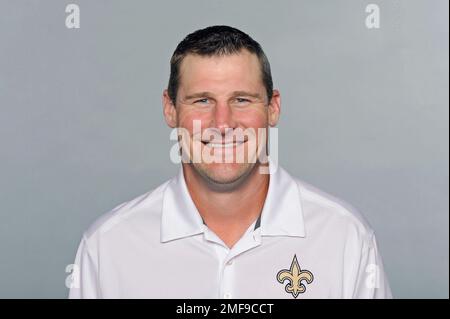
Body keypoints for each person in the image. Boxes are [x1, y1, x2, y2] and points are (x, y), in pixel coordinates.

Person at [68, 25, 392, 299]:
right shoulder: (107, 247)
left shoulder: (345, 237)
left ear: (273, 107)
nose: (222, 123)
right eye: (202, 100)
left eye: (241, 99)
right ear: (170, 109)